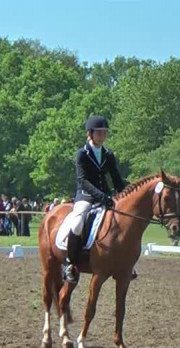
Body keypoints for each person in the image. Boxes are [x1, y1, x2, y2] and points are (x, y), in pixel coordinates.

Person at [63, 115, 128, 284]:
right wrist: (101, 196)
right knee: (77, 223)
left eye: (105, 133)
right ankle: (70, 263)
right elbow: (82, 180)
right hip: (85, 196)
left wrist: (126, 195)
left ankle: (126, 263)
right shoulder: (81, 154)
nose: (103, 136)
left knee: (123, 221)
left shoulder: (108, 154)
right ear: (90, 134)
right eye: (99, 133)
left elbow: (116, 179)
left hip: (106, 197)